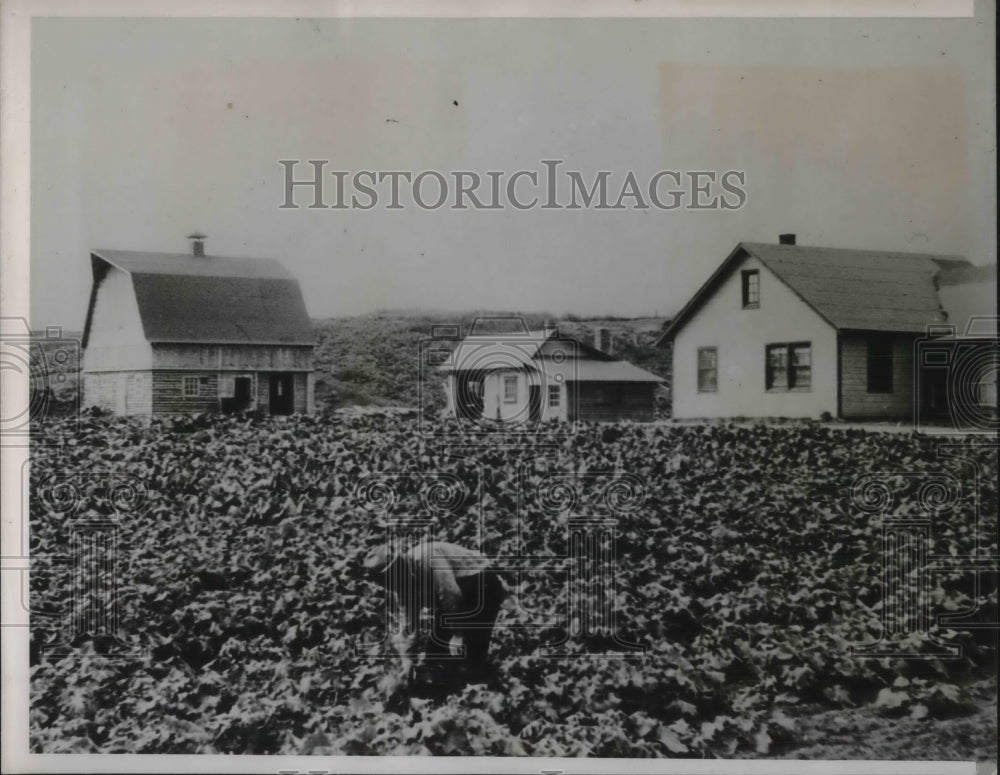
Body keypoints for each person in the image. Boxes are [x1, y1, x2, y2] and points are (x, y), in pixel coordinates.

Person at [364, 538, 506, 679]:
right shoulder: (401, 582)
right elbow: (409, 619)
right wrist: (406, 657)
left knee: (472, 655)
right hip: (454, 599)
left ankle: (488, 676)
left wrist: (457, 634)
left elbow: (451, 595)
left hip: (482, 585)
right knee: (434, 654)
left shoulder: (427, 556)